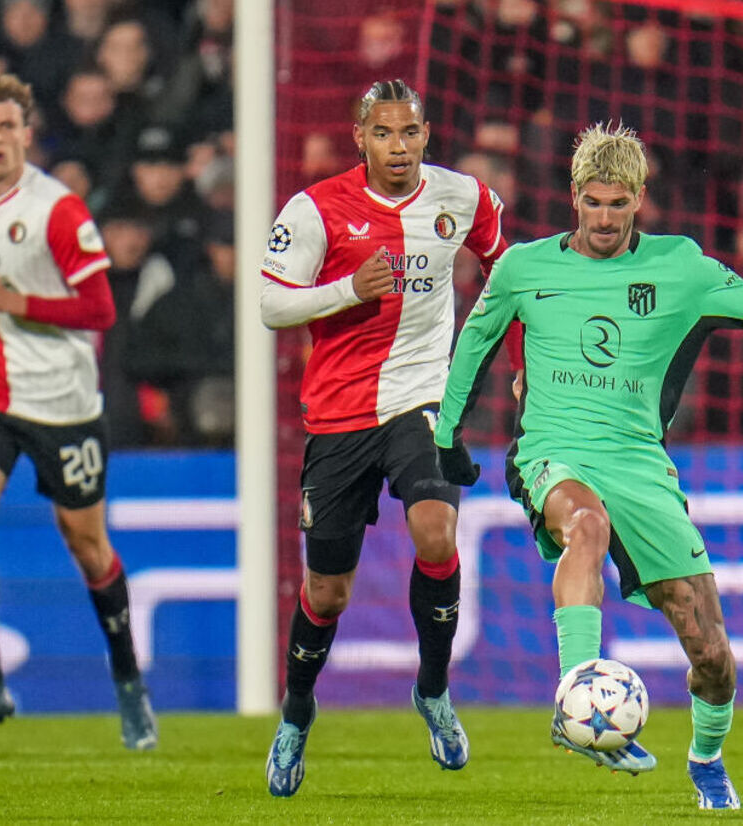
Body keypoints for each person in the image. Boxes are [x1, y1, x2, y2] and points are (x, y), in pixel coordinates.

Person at [433, 123, 743, 810]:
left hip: (641, 465)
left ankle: (706, 759)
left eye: (619, 203)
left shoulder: (682, 269)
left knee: (713, 656)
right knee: (585, 524)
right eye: (593, 201)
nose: (604, 217)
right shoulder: (524, 268)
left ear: (640, 199)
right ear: (573, 197)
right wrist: (446, 433)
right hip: (553, 453)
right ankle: (577, 695)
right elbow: (475, 343)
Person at [258, 79, 509, 797]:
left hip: (422, 399)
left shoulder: (464, 198)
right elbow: (272, 301)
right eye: (384, 134)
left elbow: (508, 269)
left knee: (436, 531)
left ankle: (432, 690)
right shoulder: (314, 210)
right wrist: (349, 291)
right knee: (327, 592)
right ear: (360, 138)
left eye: (411, 133)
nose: (398, 147)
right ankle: (297, 715)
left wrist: (509, 360)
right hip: (338, 415)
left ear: (426, 135)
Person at [0, 73, 157, 749]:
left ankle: (129, 683)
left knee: (87, 546)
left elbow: (100, 310)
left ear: (27, 133)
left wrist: (13, 299)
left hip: (64, 404)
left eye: (5, 126)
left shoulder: (57, 209)